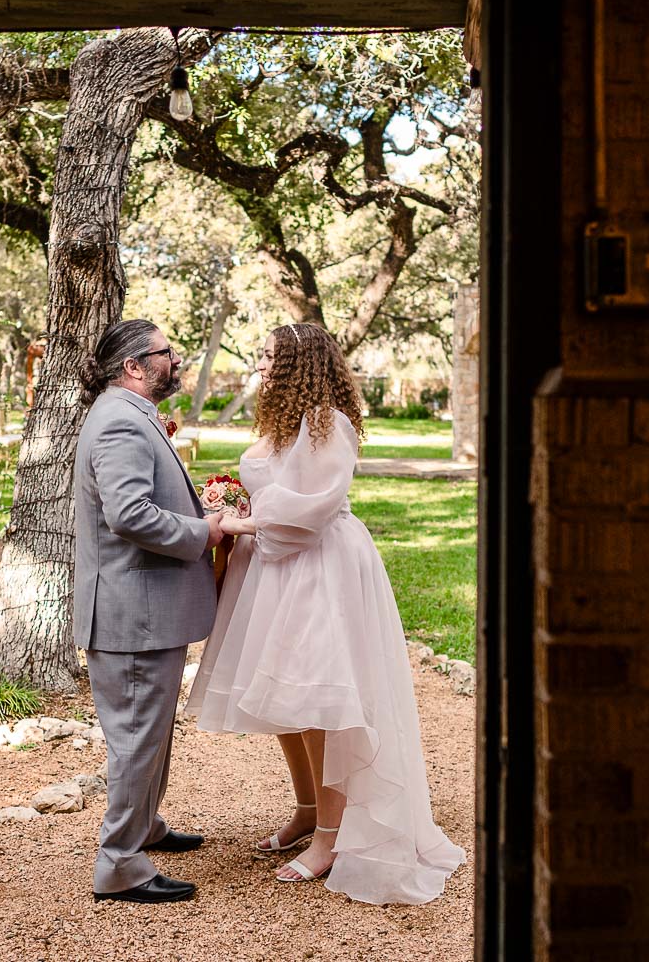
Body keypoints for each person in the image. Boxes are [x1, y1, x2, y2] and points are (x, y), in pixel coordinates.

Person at [185, 322, 464, 904]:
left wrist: (246, 517)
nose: (258, 362)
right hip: (271, 571)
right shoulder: (281, 421)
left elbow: (315, 504)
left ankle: (332, 839)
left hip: (317, 570)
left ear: (297, 363)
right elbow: (272, 485)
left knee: (317, 701)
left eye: (266, 354)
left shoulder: (327, 423)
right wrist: (231, 502)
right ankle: (309, 810)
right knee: (284, 701)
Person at [73, 318, 226, 904]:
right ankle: (119, 863)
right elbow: (130, 515)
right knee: (138, 736)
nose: (176, 359)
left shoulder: (127, 414)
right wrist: (205, 531)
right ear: (135, 367)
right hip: (131, 612)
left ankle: (145, 827)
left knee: (150, 732)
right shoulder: (119, 421)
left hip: (139, 608)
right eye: (167, 353)